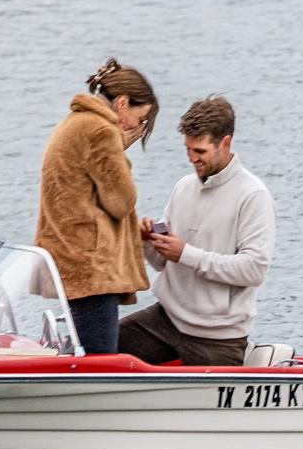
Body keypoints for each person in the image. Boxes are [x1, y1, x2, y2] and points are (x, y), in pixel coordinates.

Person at [117, 96, 275, 366]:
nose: (192, 158)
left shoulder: (253, 195)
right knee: (99, 347)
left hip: (218, 337)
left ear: (225, 143)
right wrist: (147, 242)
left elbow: (253, 270)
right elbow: (162, 263)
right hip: (166, 320)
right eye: (188, 149)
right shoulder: (183, 187)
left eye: (200, 151)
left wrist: (186, 254)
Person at [34, 59, 157, 354]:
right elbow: (121, 201)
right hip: (92, 267)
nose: (138, 128)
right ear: (122, 103)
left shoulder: (76, 122)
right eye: (140, 118)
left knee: (85, 354)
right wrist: (120, 149)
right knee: (99, 359)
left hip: (69, 256)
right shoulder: (101, 131)